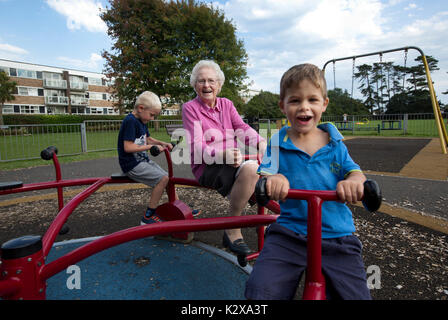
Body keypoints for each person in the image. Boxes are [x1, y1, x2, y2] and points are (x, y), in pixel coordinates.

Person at [245, 64, 371, 300]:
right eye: (295, 100)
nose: (304, 107)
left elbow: (356, 173)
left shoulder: (335, 143)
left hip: (337, 236)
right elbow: (265, 175)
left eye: (312, 99)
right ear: (283, 105)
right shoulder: (277, 141)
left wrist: (353, 182)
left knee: (356, 296)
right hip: (290, 233)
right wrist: (274, 178)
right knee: (260, 291)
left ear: (324, 104)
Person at [182, 60, 267, 256]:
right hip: (207, 165)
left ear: (219, 84)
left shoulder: (227, 104)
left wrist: (261, 143)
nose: (206, 85)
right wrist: (221, 154)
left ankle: (268, 222)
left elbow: (242, 128)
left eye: (211, 80)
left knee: (265, 170)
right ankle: (232, 229)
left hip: (232, 161)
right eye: (201, 81)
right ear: (194, 85)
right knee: (252, 169)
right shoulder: (190, 108)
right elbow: (196, 147)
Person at [117, 91, 175, 225]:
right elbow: (128, 147)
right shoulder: (130, 121)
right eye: (152, 115)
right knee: (163, 179)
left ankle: (178, 205)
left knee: (168, 178)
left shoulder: (141, 121)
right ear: (141, 108)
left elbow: (148, 139)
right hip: (131, 164)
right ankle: (148, 216)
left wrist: (163, 143)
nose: (152, 119)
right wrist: (150, 148)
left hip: (142, 161)